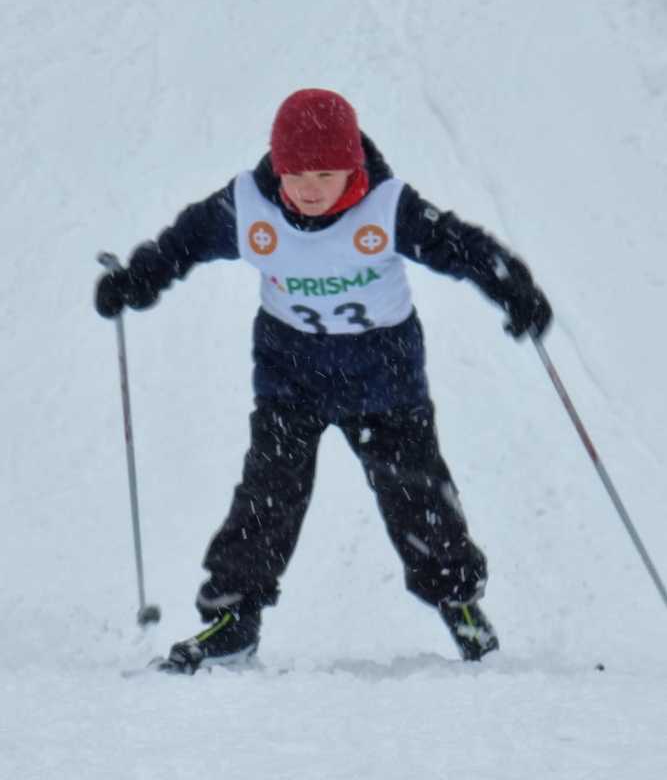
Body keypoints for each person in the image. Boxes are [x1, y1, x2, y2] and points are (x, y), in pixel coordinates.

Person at [95, 88, 551, 674]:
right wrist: (138, 279)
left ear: (352, 168)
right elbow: (184, 241)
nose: (309, 188)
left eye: (325, 175)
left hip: (383, 377)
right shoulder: (249, 206)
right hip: (291, 376)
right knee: (268, 492)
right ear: (278, 167)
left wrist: (511, 286)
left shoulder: (387, 207)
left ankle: (457, 600)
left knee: (415, 491)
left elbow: (459, 246)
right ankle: (234, 618)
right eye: (296, 174)